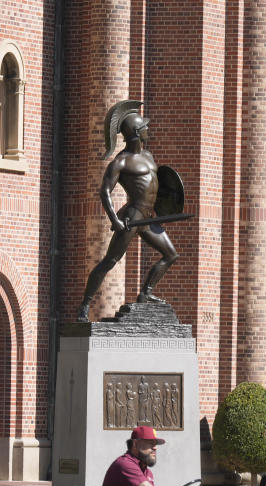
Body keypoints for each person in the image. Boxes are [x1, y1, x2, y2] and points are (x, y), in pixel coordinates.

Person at [77, 100, 180, 321]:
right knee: (110, 261)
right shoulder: (121, 162)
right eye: (144, 128)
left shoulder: (149, 156)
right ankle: (84, 306)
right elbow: (104, 192)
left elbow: (158, 185)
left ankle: (146, 293)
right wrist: (114, 220)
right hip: (131, 216)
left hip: (148, 217)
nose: (148, 130)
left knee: (171, 255)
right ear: (135, 132)